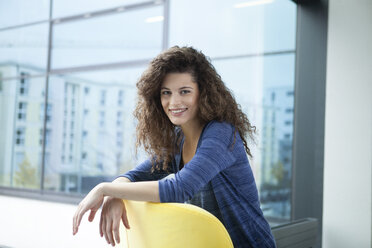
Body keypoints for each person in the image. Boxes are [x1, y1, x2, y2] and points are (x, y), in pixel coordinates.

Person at [72, 46, 276, 248]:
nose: (173, 102)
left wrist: (104, 189)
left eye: (184, 91)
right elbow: (136, 175)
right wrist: (116, 192)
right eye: (166, 93)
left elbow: (180, 188)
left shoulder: (221, 133)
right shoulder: (180, 140)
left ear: (203, 93)